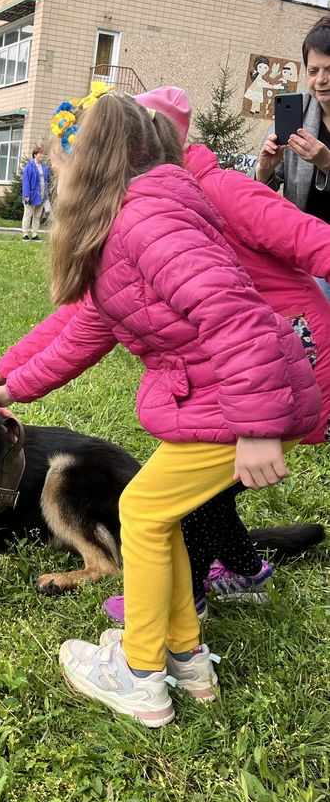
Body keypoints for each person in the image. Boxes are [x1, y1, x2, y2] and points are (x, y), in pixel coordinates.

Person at [0, 91, 320, 727]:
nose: (58, 175)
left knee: (140, 511)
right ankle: (186, 660)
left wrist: (257, 429)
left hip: (237, 400)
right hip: (216, 398)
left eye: (64, 162)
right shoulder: (132, 223)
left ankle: (139, 674)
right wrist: (11, 384)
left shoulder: (147, 221)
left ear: (94, 162)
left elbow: (234, 317)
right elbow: (86, 330)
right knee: (154, 515)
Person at [98, 86, 330, 623]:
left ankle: (186, 597)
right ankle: (245, 570)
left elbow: (314, 242)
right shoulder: (168, 201)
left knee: (199, 472)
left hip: (283, 346)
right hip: (240, 350)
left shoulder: (219, 190)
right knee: (210, 470)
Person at [256, 16, 330, 299]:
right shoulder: (296, 112)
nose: (320, 80)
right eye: (313, 71)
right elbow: (262, 191)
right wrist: (265, 170)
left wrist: (326, 162)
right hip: (303, 250)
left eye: (329, 70)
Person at [21, 145, 50, 241]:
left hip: (41, 195)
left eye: (43, 153)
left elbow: (47, 181)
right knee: (28, 215)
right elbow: (26, 181)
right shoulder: (29, 167)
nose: (42, 155)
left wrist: (47, 194)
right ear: (35, 155)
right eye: (40, 153)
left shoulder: (45, 167)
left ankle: (34, 234)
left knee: (37, 216)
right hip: (31, 195)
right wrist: (26, 195)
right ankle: (25, 234)